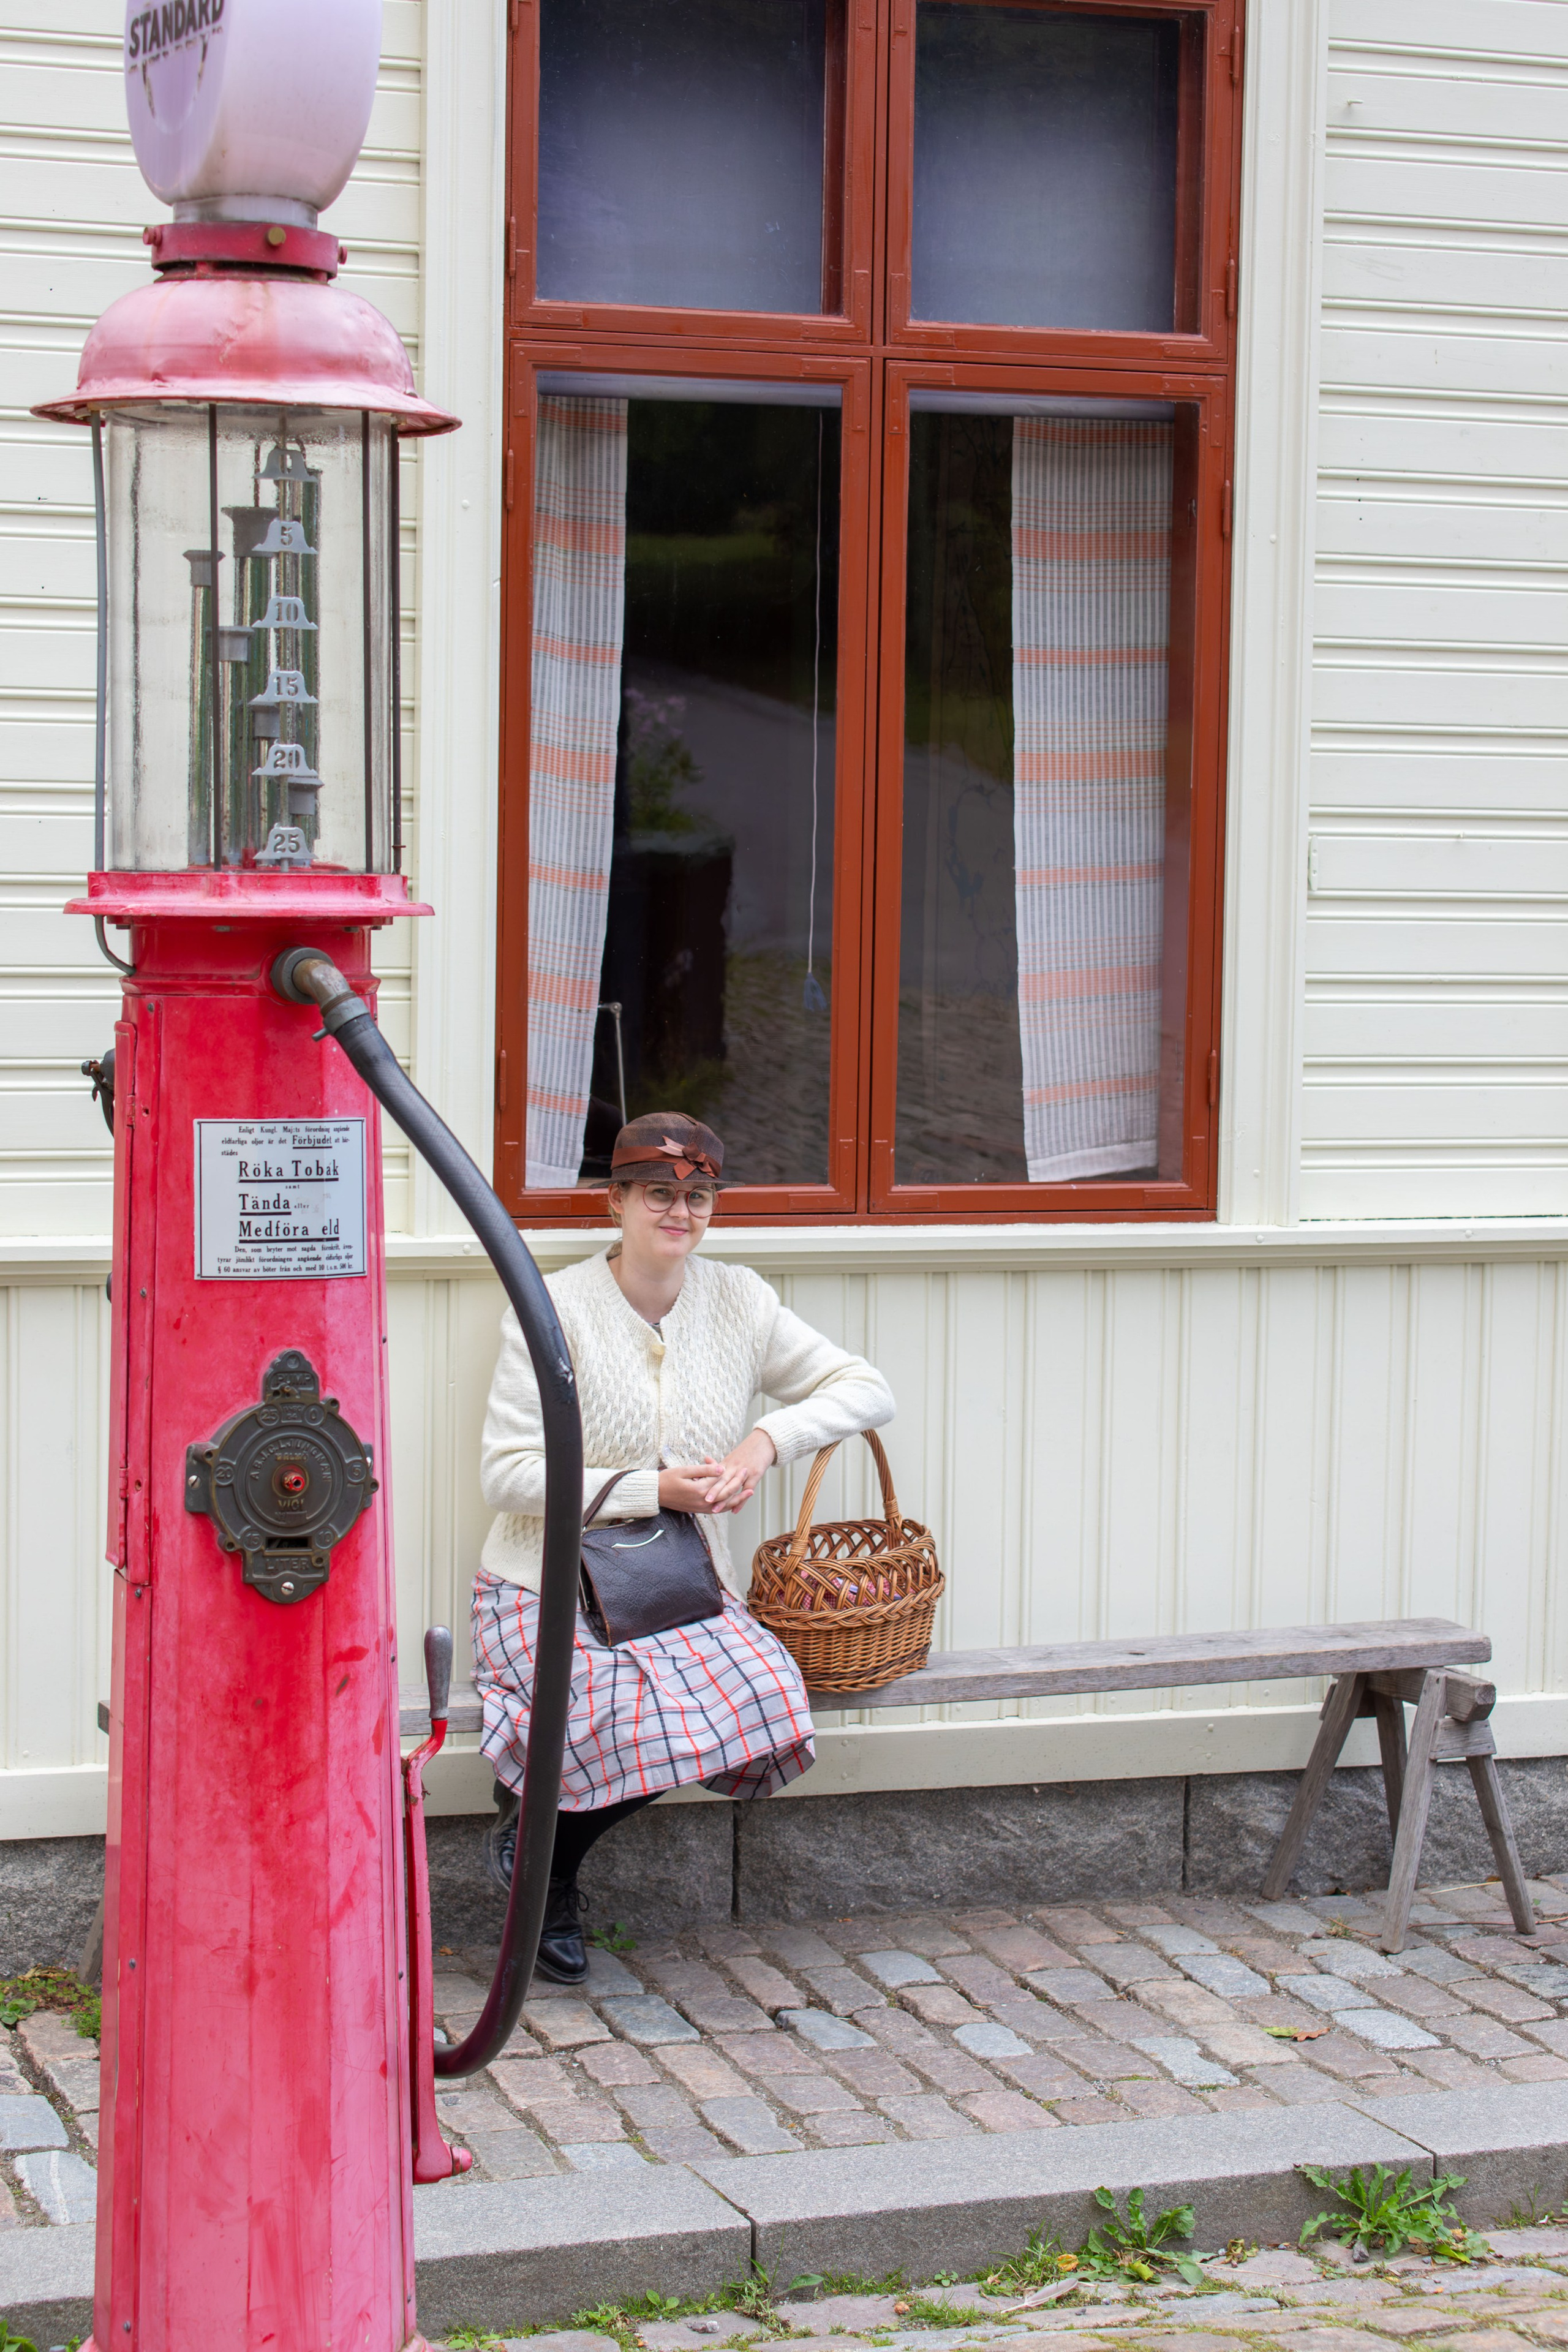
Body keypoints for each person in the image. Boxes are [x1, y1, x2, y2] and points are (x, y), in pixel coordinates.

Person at [473, 1111, 896, 1983]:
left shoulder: (739, 1299)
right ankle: (549, 1878)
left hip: (680, 1586)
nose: (680, 1211)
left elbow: (865, 1386)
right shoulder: (553, 1307)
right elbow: (508, 1474)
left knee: (760, 1702)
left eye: (698, 1196)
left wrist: (762, 1445)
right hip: (544, 1585)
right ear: (617, 1202)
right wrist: (651, 1490)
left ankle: (537, 1840)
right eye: (660, 1194)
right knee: (632, 1713)